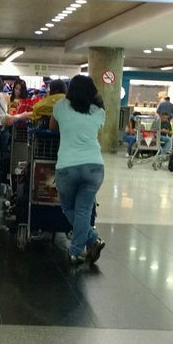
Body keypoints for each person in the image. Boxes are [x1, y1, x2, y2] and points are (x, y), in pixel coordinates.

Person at [49, 74, 106, 265]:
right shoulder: (99, 111)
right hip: (94, 167)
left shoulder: (61, 106)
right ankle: (92, 240)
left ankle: (76, 251)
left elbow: (52, 128)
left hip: (67, 166)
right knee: (83, 210)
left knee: (68, 208)